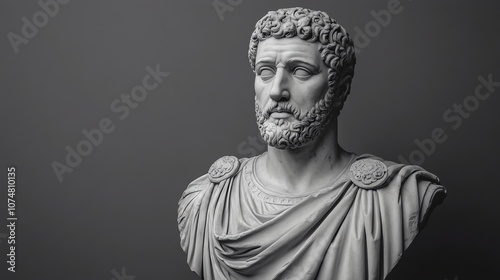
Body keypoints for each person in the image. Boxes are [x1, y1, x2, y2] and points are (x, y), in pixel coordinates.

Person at [178, 7, 446, 280]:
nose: (277, 90)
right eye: (265, 71)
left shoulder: (394, 197)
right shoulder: (207, 200)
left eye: (301, 71)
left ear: (339, 89)